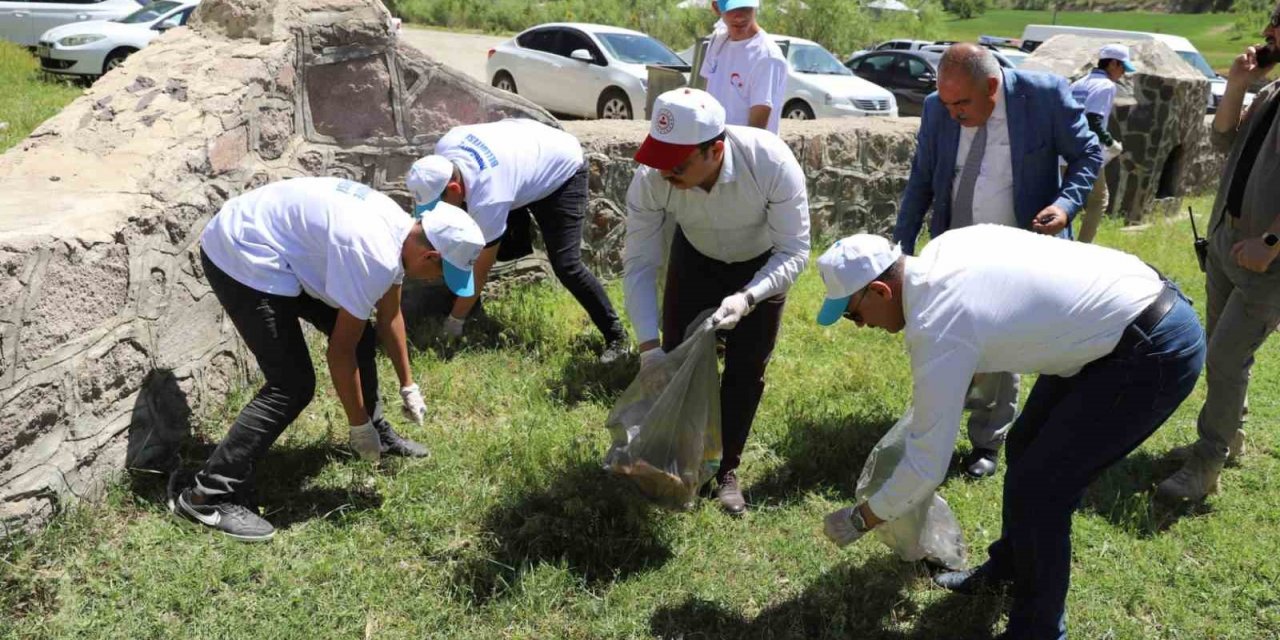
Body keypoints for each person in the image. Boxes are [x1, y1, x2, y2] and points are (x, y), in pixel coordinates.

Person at [816, 226, 1204, 640]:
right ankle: (1010, 569)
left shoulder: (938, 324)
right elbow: (1002, 311)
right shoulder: (944, 249)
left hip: (1150, 348)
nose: (858, 326)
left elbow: (926, 465)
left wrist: (862, 518)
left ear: (880, 291)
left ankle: (1038, 631)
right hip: (1115, 321)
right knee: (1025, 447)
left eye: (852, 314)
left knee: (1043, 490)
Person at [174, 177, 484, 542]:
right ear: (430, 255)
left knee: (363, 334)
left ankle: (379, 430)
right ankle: (206, 496)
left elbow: (389, 316)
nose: (436, 281)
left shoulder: (404, 232)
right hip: (241, 252)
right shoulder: (375, 256)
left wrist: (408, 385)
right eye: (441, 274)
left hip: (278, 247)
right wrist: (357, 428)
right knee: (291, 384)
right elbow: (340, 353)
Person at [892, 43, 1104, 480]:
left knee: (1001, 342)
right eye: (946, 102)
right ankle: (937, 429)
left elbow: (1088, 154)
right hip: (956, 247)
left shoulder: (1043, 96)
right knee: (949, 339)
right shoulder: (937, 109)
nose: (953, 114)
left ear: (992, 85)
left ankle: (988, 439)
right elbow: (922, 180)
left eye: (962, 104)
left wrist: (1065, 204)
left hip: (1020, 249)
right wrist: (901, 245)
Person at [623, 88, 810, 515]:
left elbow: (795, 250)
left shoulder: (771, 162)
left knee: (746, 370)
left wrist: (748, 298)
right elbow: (639, 263)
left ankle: (726, 470)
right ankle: (680, 463)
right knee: (679, 365)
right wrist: (649, 349)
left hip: (762, 266)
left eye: (678, 163)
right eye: (659, 159)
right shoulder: (653, 178)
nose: (665, 172)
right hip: (695, 259)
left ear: (716, 149)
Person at [1157, 6, 1280, 502]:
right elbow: (1223, 136)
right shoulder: (1272, 90)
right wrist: (1238, 83)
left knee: (1228, 357)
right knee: (1220, 351)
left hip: (1266, 259)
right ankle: (1232, 435)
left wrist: (1271, 243)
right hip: (1228, 242)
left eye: (1278, 25)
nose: (1269, 32)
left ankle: (1207, 462)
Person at [407, 119, 629, 362]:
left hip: (562, 169)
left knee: (567, 265)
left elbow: (481, 266)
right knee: (470, 235)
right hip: (523, 161)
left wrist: (454, 321)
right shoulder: (445, 149)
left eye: (437, 204)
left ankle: (616, 336)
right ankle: (473, 310)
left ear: (454, 188)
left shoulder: (489, 198)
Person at [1069, 43, 1134, 243]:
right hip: (1087, 151)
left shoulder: (1078, 83)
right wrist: (1111, 143)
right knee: (1099, 200)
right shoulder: (1106, 86)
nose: (1123, 73)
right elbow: (1093, 120)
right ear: (1113, 64)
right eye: (1122, 67)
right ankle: (1083, 246)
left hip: (1065, 149)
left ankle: (1061, 240)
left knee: (1067, 198)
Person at [699, 0, 789, 133]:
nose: (739, 16)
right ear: (716, 8)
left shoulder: (766, 56)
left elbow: (756, 132)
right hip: (715, 145)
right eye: (732, 9)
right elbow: (705, 97)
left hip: (742, 150)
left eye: (746, 7)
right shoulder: (718, 41)